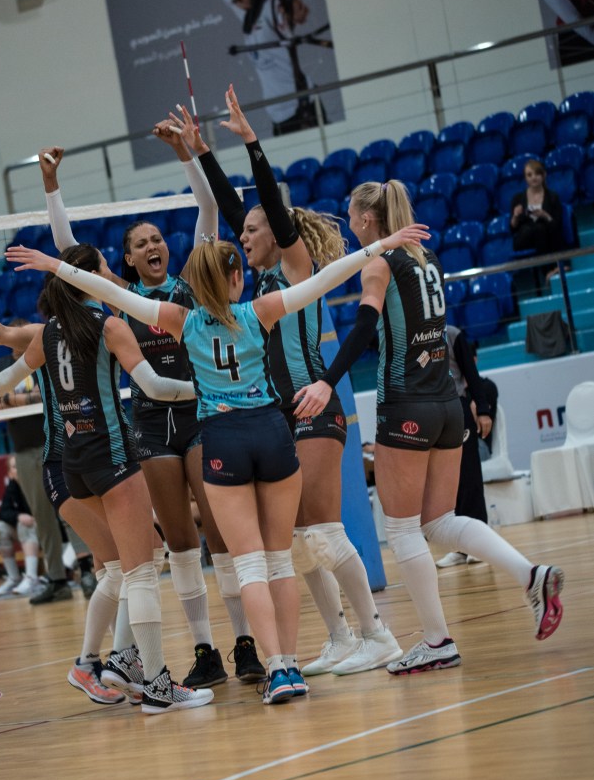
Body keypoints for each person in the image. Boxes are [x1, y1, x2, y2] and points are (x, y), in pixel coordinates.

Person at [5, 211, 430, 703]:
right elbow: (324, 280)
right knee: (280, 562)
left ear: (193, 285)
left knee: (247, 567)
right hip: (271, 432)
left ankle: (276, 671)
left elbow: (109, 291)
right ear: (236, 279)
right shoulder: (258, 311)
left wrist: (55, 266)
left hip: (222, 439)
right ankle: (292, 664)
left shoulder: (179, 319)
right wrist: (380, 246)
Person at [177, 87, 402, 676]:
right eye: (243, 231)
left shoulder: (295, 268)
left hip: (314, 407)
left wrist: (251, 143)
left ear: (276, 236)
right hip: (280, 416)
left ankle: (377, 633)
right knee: (297, 542)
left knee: (322, 533)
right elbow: (236, 212)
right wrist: (202, 153)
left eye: (253, 231)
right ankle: (340, 638)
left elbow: (270, 214)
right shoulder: (254, 287)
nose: (243, 237)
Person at [38, 139, 266, 690]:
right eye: (140, 244)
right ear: (128, 260)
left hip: (198, 420)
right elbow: (70, 252)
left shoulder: (189, 286)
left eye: (157, 238)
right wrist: (51, 186)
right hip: (148, 427)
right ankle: (205, 651)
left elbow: (207, 209)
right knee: (181, 543)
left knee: (220, 533)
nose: (152, 246)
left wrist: (187, 154)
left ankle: (244, 644)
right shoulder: (119, 298)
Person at [315, 179, 565, 674]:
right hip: (449, 403)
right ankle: (530, 574)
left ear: (367, 219)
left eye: (351, 215)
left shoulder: (379, 262)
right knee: (439, 523)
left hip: (406, 402)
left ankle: (436, 640)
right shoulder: (427, 258)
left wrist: (327, 381)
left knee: (401, 528)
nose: (349, 223)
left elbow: (364, 327)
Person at [0, 243, 215, 716]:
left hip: (75, 466)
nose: (109, 273)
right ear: (87, 279)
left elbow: (10, 376)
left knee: (133, 564)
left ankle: (120, 660)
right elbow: (155, 388)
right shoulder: (109, 326)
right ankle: (157, 685)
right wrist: (204, 389)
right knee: (140, 572)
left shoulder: (49, 333)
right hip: (112, 456)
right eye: (101, 268)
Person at [0, 325, 75, 606]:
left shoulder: (43, 357)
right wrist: (23, 398)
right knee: (42, 517)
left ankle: (88, 569)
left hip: (57, 442)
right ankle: (57, 580)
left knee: (71, 509)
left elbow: (49, 394)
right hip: (24, 451)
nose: (19, 340)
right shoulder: (0, 367)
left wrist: (10, 398)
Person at [223, 0, 322, 136]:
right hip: (277, 116)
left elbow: (286, 10)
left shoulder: (273, 4)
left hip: (302, 109)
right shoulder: (245, 9)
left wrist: (293, 10)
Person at [434, 325, 494, 568]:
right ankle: (459, 547)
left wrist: (483, 409)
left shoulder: (452, 334)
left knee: (469, 477)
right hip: (430, 413)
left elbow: (471, 373)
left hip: (456, 407)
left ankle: (480, 544)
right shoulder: (408, 335)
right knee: (446, 484)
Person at [0, 455, 44, 596]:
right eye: (15, 467)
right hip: (27, 533)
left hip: (47, 531)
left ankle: (32, 578)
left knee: (25, 525)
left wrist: (33, 519)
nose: (19, 469)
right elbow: (3, 512)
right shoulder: (12, 487)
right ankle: (14, 578)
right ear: (10, 474)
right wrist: (18, 516)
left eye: (20, 464)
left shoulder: (38, 480)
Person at [509, 158, 566, 281]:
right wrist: (515, 216)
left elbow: (557, 224)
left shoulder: (552, 197)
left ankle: (554, 269)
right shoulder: (518, 198)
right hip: (524, 237)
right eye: (529, 175)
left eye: (537, 174)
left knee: (545, 229)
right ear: (525, 178)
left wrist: (545, 215)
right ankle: (552, 269)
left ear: (544, 175)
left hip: (546, 234)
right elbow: (513, 228)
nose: (533, 178)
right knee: (540, 229)